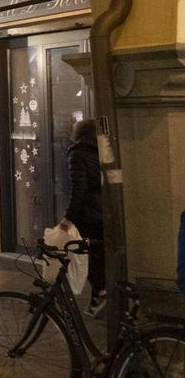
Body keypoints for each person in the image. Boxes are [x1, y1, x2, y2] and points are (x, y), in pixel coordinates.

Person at [65, 118, 107, 316]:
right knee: (98, 255)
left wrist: (69, 218)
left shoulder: (77, 154)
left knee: (85, 255)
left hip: (88, 214)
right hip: (103, 212)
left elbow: (78, 189)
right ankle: (96, 299)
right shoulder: (102, 151)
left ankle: (100, 290)